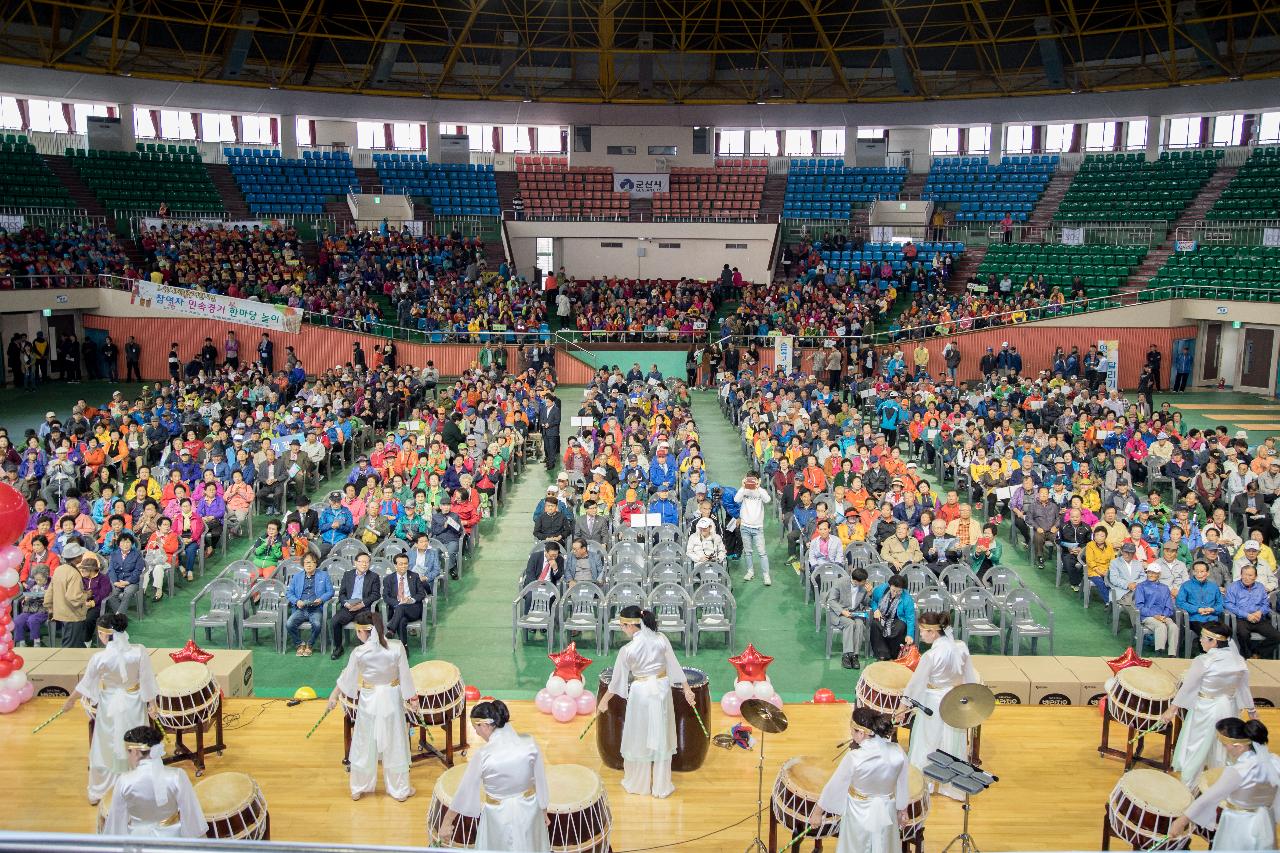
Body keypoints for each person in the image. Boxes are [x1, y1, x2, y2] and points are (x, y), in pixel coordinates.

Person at [597, 606, 696, 798]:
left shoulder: (627, 650)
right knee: (661, 735)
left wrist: (604, 701)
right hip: (661, 689)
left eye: (622, 626)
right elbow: (674, 665)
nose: (622, 629)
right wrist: (686, 689)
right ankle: (661, 786)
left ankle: (638, 784)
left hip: (641, 692)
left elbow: (617, 681)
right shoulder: (661, 639)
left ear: (631, 626)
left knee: (639, 735)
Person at [60, 613, 158, 804]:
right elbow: (147, 680)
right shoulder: (139, 652)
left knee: (105, 745)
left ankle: (98, 790)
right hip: (134, 703)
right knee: (135, 743)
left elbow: (86, 684)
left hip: (109, 705)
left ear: (106, 635)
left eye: (99, 633)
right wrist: (151, 704)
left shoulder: (99, 658)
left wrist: (70, 701)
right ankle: (138, 788)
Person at [326, 611, 417, 801]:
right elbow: (406, 677)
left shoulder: (359, 653)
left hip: (369, 699)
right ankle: (400, 788)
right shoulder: (396, 647)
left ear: (362, 632)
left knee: (364, 740)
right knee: (395, 740)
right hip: (392, 697)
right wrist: (412, 699)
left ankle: (359, 786)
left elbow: (347, 678)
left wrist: (333, 696)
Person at [439, 700, 551, 851]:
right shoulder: (530, 743)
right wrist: (543, 811)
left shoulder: (483, 755)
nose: (477, 733)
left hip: (498, 817)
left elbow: (465, 790)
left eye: (476, 728)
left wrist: (447, 821)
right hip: (530, 812)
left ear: (484, 725)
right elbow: (540, 779)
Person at [1160, 620, 1257, 786]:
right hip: (1229, 708)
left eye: (1203, 638)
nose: (1200, 640)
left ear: (1214, 641)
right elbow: (1243, 688)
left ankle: (1189, 785)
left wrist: (1172, 709)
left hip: (1206, 708)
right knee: (1223, 748)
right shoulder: (1239, 660)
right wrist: (1252, 711)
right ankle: (1220, 784)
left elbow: (1188, 687)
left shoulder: (1203, 660)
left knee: (1196, 746)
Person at [807, 706, 910, 853]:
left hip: (859, 812)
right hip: (887, 810)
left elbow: (835, 785)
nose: (850, 732)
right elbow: (902, 784)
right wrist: (903, 810)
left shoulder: (854, 758)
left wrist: (817, 812)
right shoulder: (898, 752)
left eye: (852, 729)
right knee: (885, 846)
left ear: (861, 733)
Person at [900, 611, 977, 801]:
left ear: (933, 632)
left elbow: (916, 683)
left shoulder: (931, 656)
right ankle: (951, 784)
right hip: (954, 699)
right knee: (952, 740)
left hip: (933, 700)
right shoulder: (961, 647)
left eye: (922, 631)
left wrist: (903, 706)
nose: (921, 634)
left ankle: (924, 782)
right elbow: (970, 677)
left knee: (928, 740)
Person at [1168, 717, 1280, 849]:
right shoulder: (1274, 761)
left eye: (1224, 744)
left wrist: (1181, 821)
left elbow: (1208, 798)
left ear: (1238, 746)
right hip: (1265, 822)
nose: (1224, 748)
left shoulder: (1237, 771)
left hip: (1238, 825)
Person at [101, 725, 206, 837]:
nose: (128, 757)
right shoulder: (177, 776)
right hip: (172, 839)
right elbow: (190, 815)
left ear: (136, 752)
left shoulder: (124, 781)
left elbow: (117, 823)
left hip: (137, 841)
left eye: (129, 752)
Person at [331, 552, 381, 660]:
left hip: (364, 607)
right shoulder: (348, 575)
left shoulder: (374, 577)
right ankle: (338, 647)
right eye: (361, 562)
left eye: (367, 562)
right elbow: (342, 594)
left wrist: (361, 604)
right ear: (355, 562)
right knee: (335, 621)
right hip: (349, 607)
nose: (364, 564)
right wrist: (346, 603)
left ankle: (364, 648)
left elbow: (376, 594)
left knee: (363, 623)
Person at [1226, 565, 1280, 658]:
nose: (1246, 578)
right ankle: (1247, 656)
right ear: (1241, 575)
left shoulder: (1260, 587)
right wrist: (1246, 615)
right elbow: (1229, 604)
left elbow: (1266, 605)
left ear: (1255, 576)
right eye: (1244, 575)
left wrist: (1260, 612)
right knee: (1243, 634)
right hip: (1241, 619)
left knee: (1277, 636)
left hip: (1258, 618)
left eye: (1250, 575)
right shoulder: (1233, 587)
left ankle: (1257, 654)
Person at [286, 553, 334, 656]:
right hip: (301, 608)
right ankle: (299, 644)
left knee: (317, 624)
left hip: (316, 608)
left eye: (312, 562)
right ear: (303, 564)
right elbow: (289, 593)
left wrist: (321, 599)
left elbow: (330, 592)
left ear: (316, 564)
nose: (309, 565)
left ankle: (310, 644)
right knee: (289, 624)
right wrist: (296, 601)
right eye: (307, 562)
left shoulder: (323, 575)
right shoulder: (297, 577)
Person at [826, 565, 873, 671]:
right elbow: (831, 600)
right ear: (856, 581)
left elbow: (865, 603)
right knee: (850, 624)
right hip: (839, 613)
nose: (866, 582)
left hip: (855, 612)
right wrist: (842, 611)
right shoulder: (840, 583)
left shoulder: (864, 586)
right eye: (864, 581)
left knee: (860, 624)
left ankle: (855, 655)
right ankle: (847, 655)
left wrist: (869, 593)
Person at [734, 472, 772, 585]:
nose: (751, 481)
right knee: (748, 552)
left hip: (758, 528)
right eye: (749, 479)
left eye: (754, 479)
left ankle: (766, 575)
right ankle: (750, 571)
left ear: (758, 480)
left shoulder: (761, 491)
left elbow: (768, 499)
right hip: (745, 526)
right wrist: (742, 486)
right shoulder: (744, 490)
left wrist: (758, 487)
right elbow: (736, 499)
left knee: (762, 553)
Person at [1133, 563, 1179, 656]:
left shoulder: (1165, 588)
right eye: (1150, 572)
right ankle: (1159, 653)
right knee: (1160, 626)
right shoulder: (1141, 586)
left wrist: (1163, 616)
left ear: (1159, 574)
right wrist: (1155, 615)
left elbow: (1168, 606)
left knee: (1173, 627)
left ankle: (1172, 654)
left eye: (1154, 573)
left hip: (1163, 616)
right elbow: (1139, 607)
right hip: (1148, 616)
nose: (1151, 575)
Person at [869, 574, 915, 661]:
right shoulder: (881, 590)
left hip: (897, 619)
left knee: (900, 627)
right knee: (875, 624)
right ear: (889, 585)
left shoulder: (907, 598)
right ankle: (882, 654)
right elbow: (873, 601)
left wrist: (910, 635)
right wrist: (875, 610)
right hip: (882, 616)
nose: (895, 594)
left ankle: (894, 654)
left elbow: (910, 618)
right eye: (893, 590)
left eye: (899, 591)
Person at [383, 553, 425, 646]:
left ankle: (391, 630)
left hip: (413, 609)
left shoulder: (414, 576)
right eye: (401, 564)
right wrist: (398, 603)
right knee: (401, 621)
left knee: (401, 607)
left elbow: (422, 594)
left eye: (406, 563)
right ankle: (404, 647)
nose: (404, 566)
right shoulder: (388, 579)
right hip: (396, 611)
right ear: (395, 565)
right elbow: (386, 596)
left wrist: (411, 600)